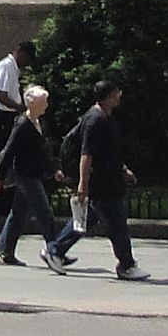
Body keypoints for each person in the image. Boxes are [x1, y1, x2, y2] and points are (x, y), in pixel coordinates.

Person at [45, 80, 142, 280]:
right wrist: (83, 183)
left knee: (86, 219)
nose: (120, 95)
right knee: (117, 223)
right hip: (102, 182)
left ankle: (55, 249)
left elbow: (109, 151)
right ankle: (126, 265)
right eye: (116, 92)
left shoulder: (106, 117)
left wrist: (122, 168)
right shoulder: (95, 120)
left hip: (108, 177)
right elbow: (86, 153)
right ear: (107, 97)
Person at [0, 83, 56, 265]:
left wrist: (54, 170)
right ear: (33, 104)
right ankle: (55, 249)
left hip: (33, 173)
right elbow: (8, 150)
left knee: (19, 213)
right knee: (44, 212)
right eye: (44, 102)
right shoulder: (22, 124)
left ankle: (6, 252)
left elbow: (43, 151)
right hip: (25, 175)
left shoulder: (38, 122)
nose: (47, 105)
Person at [0, 39, 34, 144]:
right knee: (4, 148)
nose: (27, 63)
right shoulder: (7, 65)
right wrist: (21, 108)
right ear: (21, 53)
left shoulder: (14, 68)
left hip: (8, 114)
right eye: (27, 59)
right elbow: (2, 97)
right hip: (2, 115)